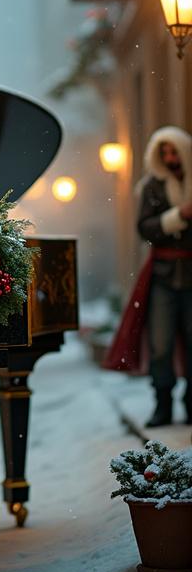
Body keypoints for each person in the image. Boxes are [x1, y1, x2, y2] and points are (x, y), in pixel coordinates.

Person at [105, 126, 192, 427]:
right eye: (164, 153)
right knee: (161, 344)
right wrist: (178, 217)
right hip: (164, 277)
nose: (170, 158)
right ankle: (163, 403)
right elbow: (145, 229)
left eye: (174, 152)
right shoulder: (153, 187)